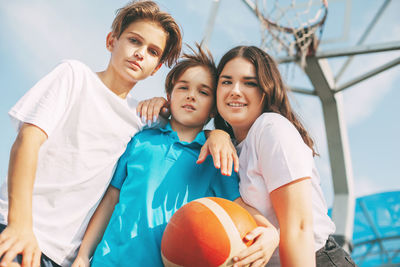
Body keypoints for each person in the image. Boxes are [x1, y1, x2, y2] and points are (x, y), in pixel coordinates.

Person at [0, 1, 184, 266]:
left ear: (156, 68)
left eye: (153, 51)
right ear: (112, 41)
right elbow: (27, 140)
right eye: (134, 40)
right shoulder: (74, 76)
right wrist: (19, 225)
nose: (140, 53)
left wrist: (218, 135)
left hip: (62, 256)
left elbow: (186, 129)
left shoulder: (142, 120)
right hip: (17, 229)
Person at [72, 45, 279, 267]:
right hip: (108, 261)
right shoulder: (141, 139)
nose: (191, 95)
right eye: (183, 88)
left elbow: (241, 206)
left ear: (213, 108)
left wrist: (272, 234)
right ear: (169, 96)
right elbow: (111, 200)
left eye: (203, 92)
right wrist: (84, 255)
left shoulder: (216, 158)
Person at [213, 45, 356, 266]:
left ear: (266, 90)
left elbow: (298, 227)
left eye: (249, 83)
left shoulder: (270, 128)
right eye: (226, 81)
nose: (235, 90)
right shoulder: (231, 147)